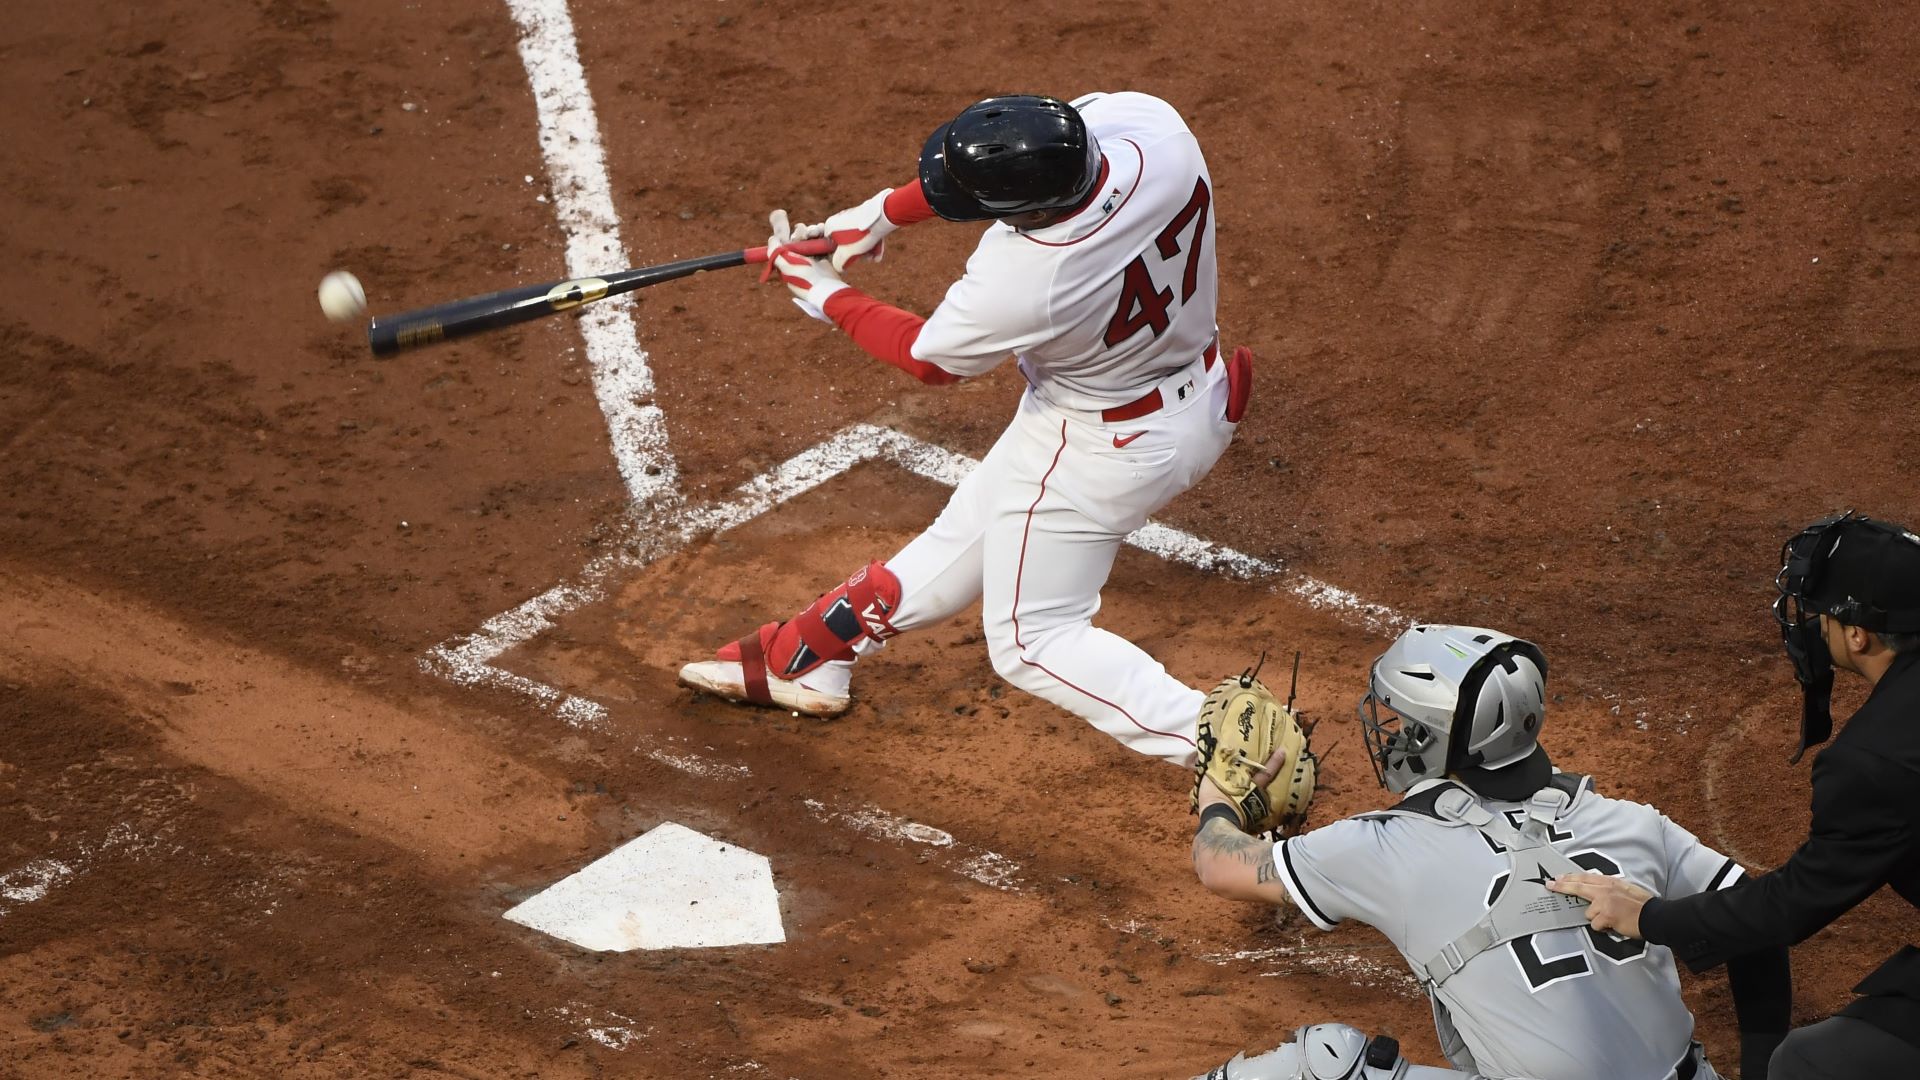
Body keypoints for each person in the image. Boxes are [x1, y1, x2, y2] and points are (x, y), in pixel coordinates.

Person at [677, 92, 1250, 765]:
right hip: (1193, 393)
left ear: (1027, 212)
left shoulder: (1030, 278)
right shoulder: (1157, 132)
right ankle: (808, 656)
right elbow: (1025, 155)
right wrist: (880, 216)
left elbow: (929, 359)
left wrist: (821, 288)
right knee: (975, 528)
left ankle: (1229, 755)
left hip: (1102, 445)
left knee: (1034, 640)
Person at [1189, 624, 1791, 1080]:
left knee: (1321, 1063)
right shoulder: (1633, 823)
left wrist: (1224, 795)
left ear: (1434, 740)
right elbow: (1757, 926)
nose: (1392, 734)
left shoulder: (1381, 847)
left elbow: (1219, 864)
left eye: (1402, 724)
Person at [1552, 512, 1920, 1078]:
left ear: (1857, 632)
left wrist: (1650, 917)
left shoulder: (1872, 762)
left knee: (1808, 1064)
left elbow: (1792, 905)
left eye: (1821, 612)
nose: (1811, 624)